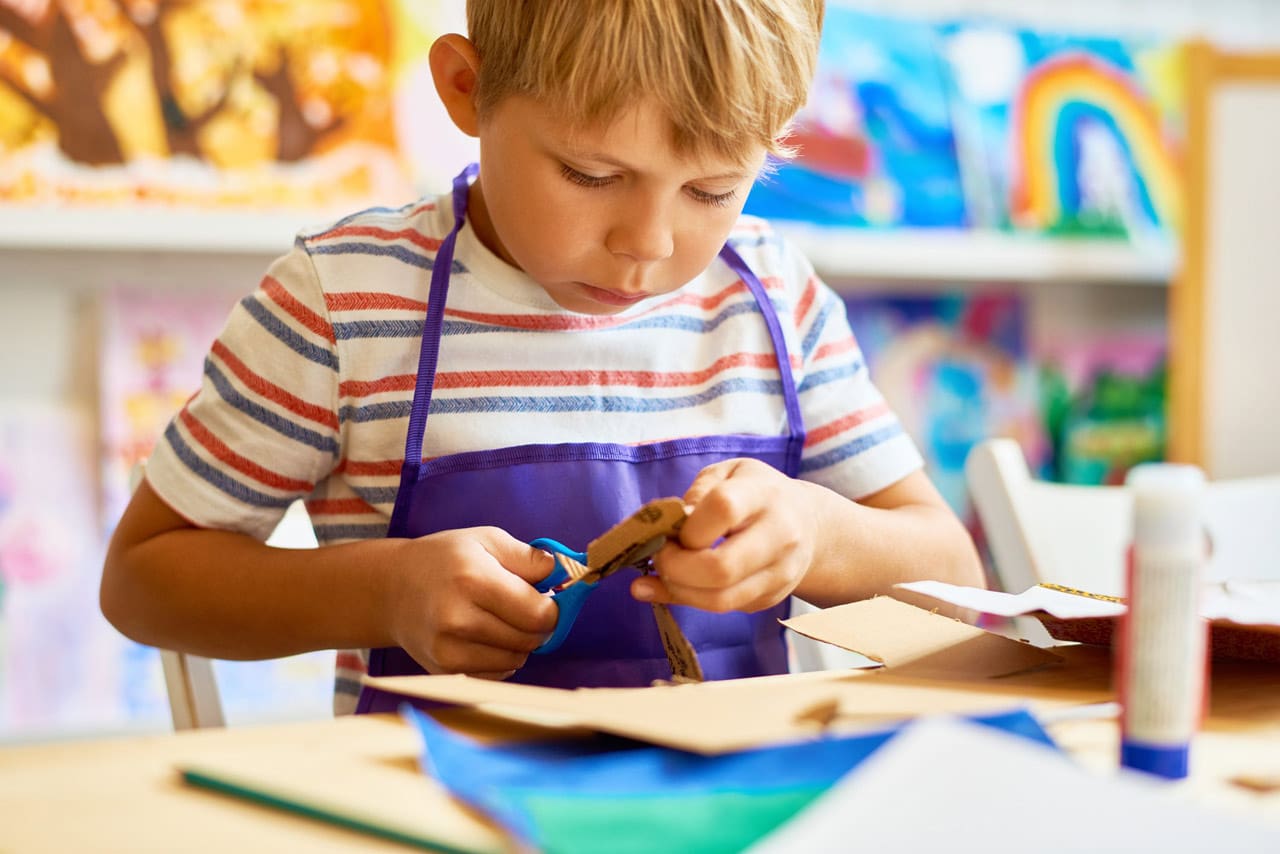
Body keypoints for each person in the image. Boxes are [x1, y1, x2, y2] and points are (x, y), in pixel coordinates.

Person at [101, 0, 984, 715]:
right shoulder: (346, 302)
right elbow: (144, 581)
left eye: (713, 188)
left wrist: (818, 536)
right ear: (466, 89)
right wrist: (384, 591)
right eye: (592, 175)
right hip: (419, 811)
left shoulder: (774, 300)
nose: (647, 242)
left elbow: (952, 574)